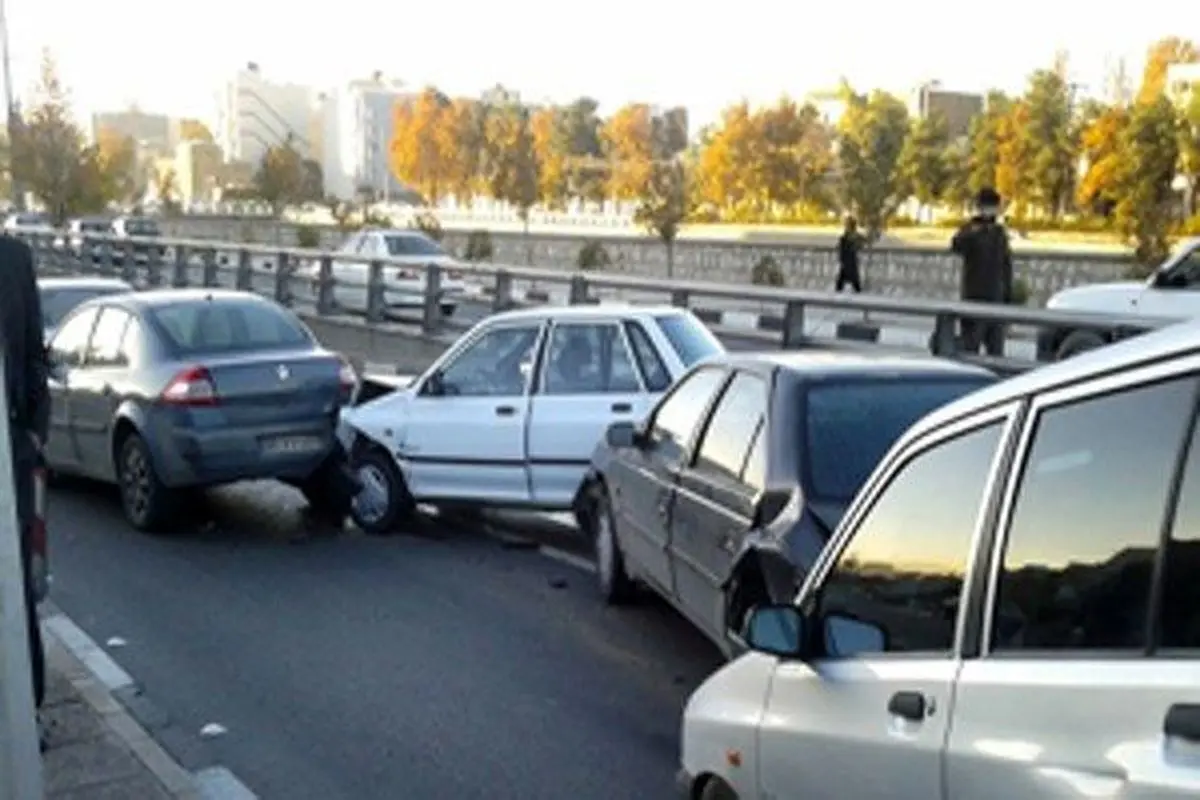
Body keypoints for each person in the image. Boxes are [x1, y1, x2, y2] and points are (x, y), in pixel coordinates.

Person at [0, 232, 50, 720]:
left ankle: (24, 708)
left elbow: (34, 352)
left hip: (8, 452)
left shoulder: (13, 258)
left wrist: (34, 433)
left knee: (12, 582)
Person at [951, 188, 1014, 356]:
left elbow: (1006, 266)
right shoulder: (970, 229)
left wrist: (1008, 298)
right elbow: (956, 246)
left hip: (996, 299)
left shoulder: (999, 233)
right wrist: (974, 230)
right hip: (974, 297)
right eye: (987, 207)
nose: (990, 211)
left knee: (996, 351)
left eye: (993, 207)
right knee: (970, 348)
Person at [835, 216, 864, 293]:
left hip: (849, 259)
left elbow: (858, 245)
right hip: (848, 259)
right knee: (847, 277)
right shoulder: (850, 234)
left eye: (847, 224)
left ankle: (856, 291)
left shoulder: (852, 235)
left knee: (845, 277)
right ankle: (857, 291)